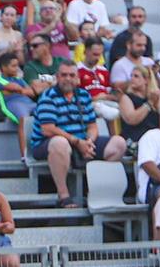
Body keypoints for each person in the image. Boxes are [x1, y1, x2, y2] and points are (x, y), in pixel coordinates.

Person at [31, 63, 127, 207]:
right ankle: (63, 196)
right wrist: (77, 142)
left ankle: (95, 190)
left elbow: (92, 126)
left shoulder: (83, 95)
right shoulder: (47, 97)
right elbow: (48, 129)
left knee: (119, 143)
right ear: (57, 77)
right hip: (48, 143)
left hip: (80, 141)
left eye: (72, 75)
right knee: (59, 143)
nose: (68, 79)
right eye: (63, 75)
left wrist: (89, 142)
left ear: (78, 79)